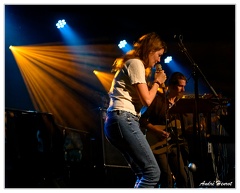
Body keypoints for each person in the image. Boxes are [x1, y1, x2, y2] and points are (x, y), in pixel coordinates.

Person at [103, 32, 167, 188]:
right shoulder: (136, 63)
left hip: (117, 121)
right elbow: (147, 100)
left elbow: (143, 105)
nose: (159, 60)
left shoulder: (133, 65)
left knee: (143, 173)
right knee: (152, 172)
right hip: (123, 119)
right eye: (158, 55)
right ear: (151, 50)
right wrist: (157, 83)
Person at [139, 71, 190, 188]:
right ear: (171, 86)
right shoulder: (157, 100)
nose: (183, 89)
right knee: (166, 178)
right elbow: (141, 119)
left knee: (182, 177)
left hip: (174, 144)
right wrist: (156, 131)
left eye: (184, 86)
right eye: (180, 86)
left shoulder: (180, 104)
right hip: (157, 144)